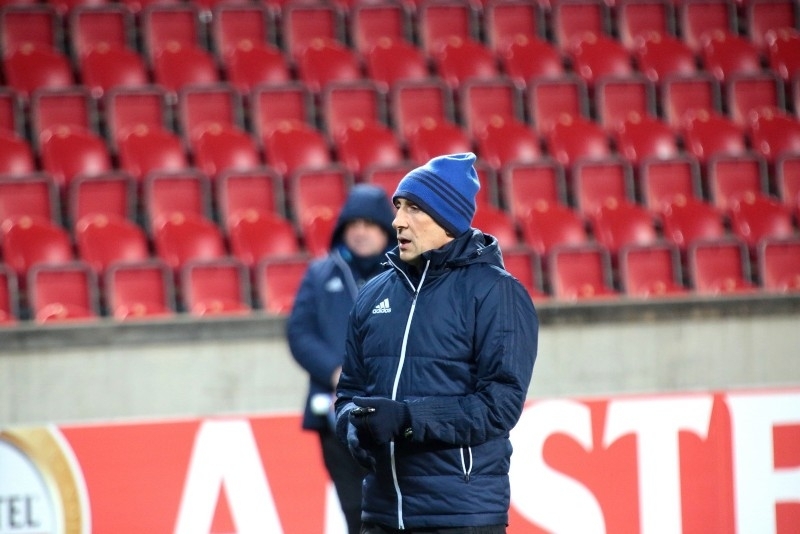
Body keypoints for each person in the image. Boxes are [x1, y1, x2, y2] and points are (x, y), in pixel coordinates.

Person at [334, 152, 539, 534]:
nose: (397, 221)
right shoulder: (373, 293)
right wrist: (353, 427)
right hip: (380, 514)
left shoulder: (496, 293)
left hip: (459, 517)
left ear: (448, 220)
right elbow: (349, 392)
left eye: (413, 208)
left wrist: (407, 420)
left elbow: (500, 405)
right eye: (398, 207)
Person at [287, 184, 396, 534]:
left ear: (386, 228)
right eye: (353, 224)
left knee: (398, 506)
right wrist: (335, 372)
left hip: (393, 411)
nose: (360, 232)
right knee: (355, 509)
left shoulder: (405, 272)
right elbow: (299, 332)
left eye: (369, 224)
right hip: (334, 414)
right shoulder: (320, 273)